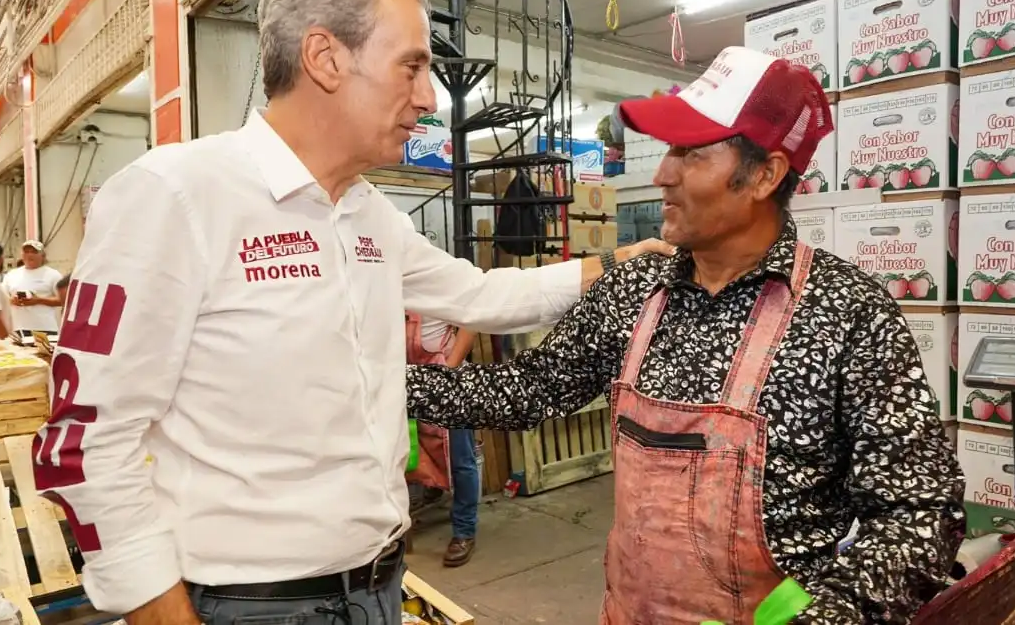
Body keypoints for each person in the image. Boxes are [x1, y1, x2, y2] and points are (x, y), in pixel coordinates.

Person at [30, 0, 672, 625]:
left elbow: (479, 293)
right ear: (325, 57)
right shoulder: (177, 196)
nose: (429, 98)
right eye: (412, 66)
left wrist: (614, 262)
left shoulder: (368, 215)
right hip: (251, 607)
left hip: (378, 589)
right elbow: (85, 443)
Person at [406, 47, 967, 624]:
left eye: (690, 154)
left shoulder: (846, 311)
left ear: (765, 174)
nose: (662, 173)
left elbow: (919, 512)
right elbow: (530, 389)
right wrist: (383, 382)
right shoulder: (635, 292)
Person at [404, 311, 480, 567]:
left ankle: (464, 531)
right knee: (414, 450)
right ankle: (431, 494)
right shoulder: (386, 279)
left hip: (448, 378)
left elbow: (471, 320)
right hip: (410, 377)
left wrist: (450, 370)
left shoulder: (442, 273)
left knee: (460, 458)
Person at [3, 240, 65, 334]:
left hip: (45, 328)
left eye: (34, 252)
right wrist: (13, 300)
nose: (29, 255)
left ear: (42, 256)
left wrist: (38, 300)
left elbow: (63, 300)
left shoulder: (53, 275)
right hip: (18, 328)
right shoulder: (12, 275)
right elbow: (2, 298)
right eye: (26, 252)